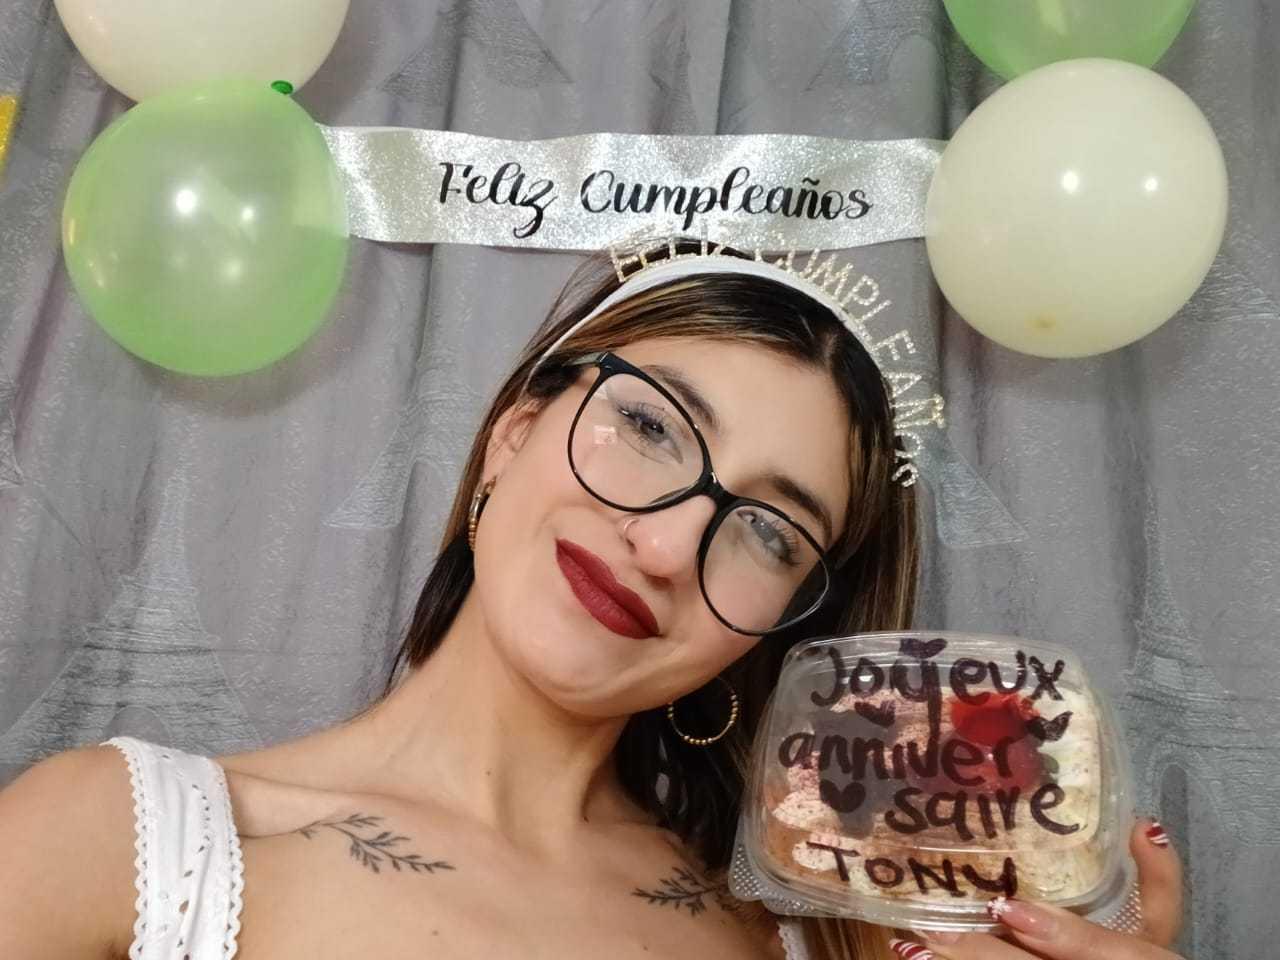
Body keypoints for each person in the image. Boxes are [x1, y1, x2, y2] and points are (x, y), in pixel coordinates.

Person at [0, 238, 1186, 960]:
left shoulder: (801, 938)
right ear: (515, 431)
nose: (664, 546)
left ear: (787, 628)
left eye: (766, 531)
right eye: (649, 427)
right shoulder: (115, 840)